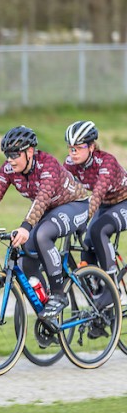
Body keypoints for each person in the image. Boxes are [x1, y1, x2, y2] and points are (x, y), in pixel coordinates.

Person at [0, 125, 89, 319]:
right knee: (24, 260)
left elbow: (43, 198)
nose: (10, 160)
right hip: (48, 211)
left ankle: (59, 295)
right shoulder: (9, 169)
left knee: (43, 235)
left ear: (29, 152)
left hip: (75, 205)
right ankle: (48, 315)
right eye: (7, 155)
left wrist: (26, 227)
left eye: (14, 155)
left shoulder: (47, 164)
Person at [63, 120, 127, 295]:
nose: (73, 153)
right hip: (106, 206)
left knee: (98, 230)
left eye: (79, 147)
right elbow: (61, 190)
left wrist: (83, 220)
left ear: (91, 147)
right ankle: (96, 293)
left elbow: (97, 194)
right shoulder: (71, 163)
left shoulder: (106, 162)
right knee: (86, 245)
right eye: (70, 148)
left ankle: (113, 288)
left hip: (124, 202)